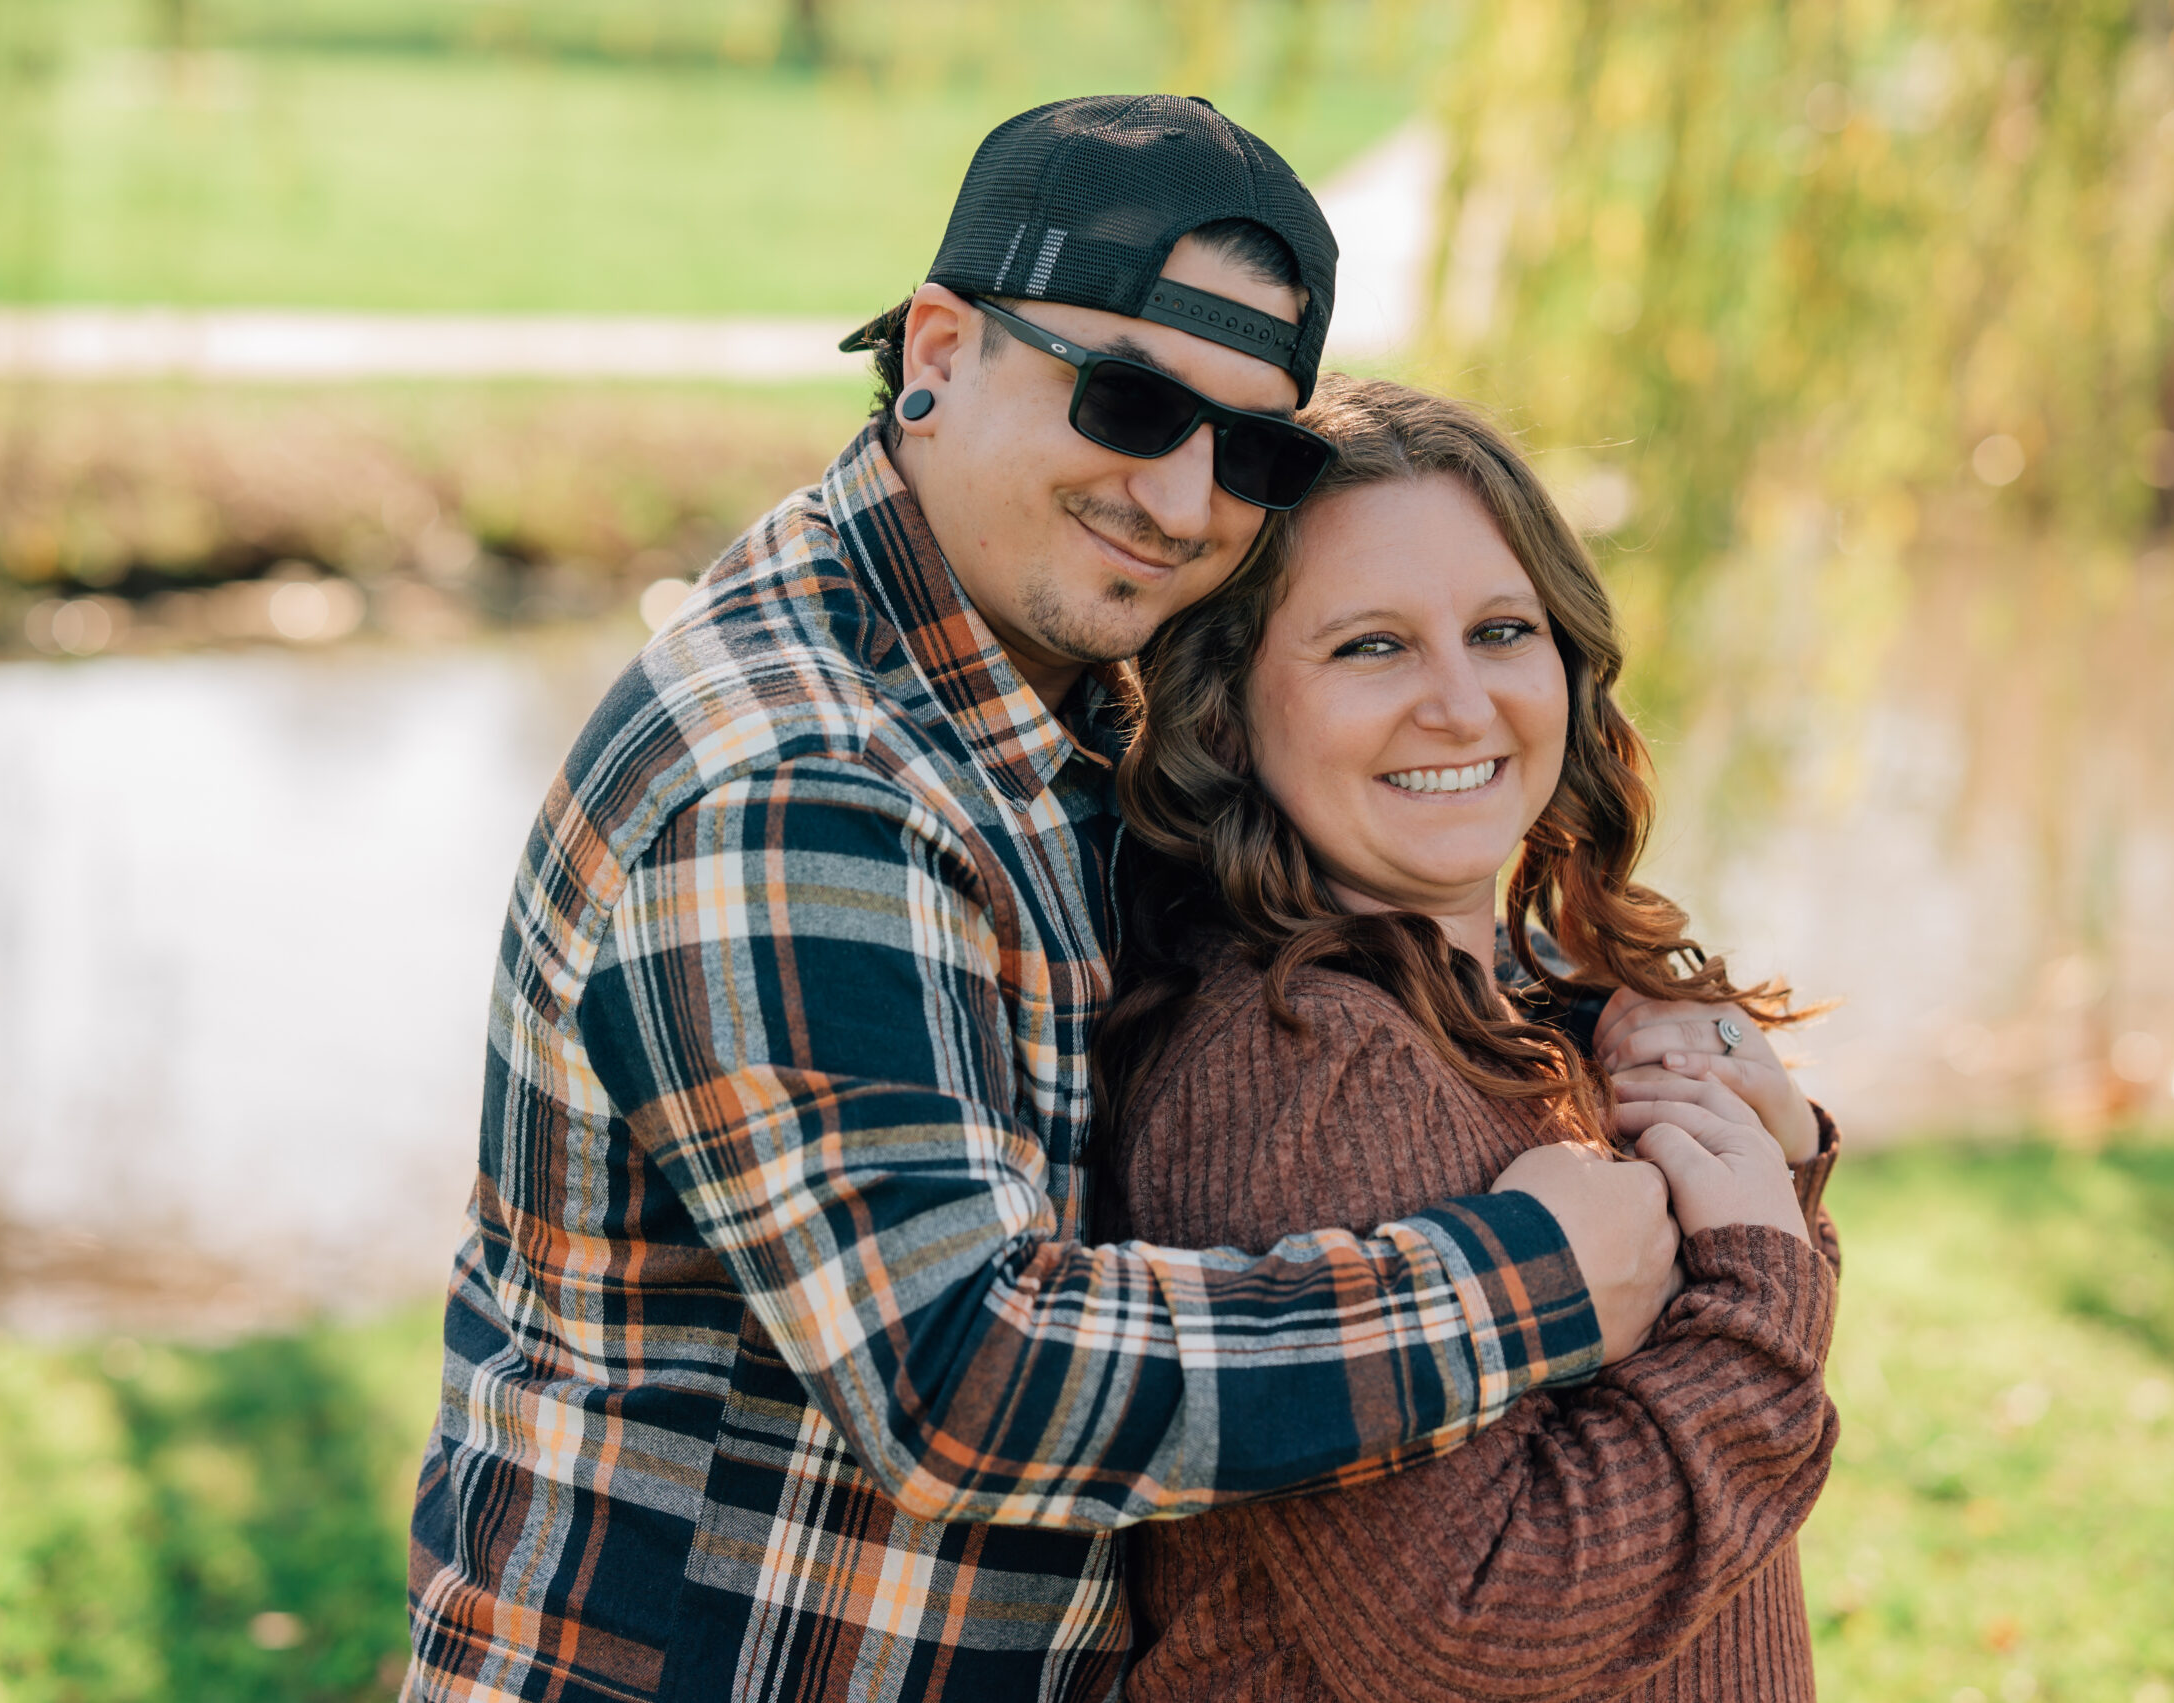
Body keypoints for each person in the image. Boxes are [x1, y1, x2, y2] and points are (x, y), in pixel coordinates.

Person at [402, 96, 1691, 1703]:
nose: (1183, 501)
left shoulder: (1032, 698)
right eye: (1130, 401)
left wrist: (1627, 1033)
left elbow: (1306, 900)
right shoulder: (799, 784)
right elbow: (964, 1381)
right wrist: (1522, 1280)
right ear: (938, 351)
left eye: (1254, 450)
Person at [1096, 375, 1843, 1701]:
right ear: (1229, 709)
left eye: (1501, 630)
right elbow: (1478, 1626)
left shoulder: (1513, 1004)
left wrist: (1760, 1171)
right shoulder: (1309, 1060)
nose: (1459, 703)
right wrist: (1763, 1285)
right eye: (1370, 647)